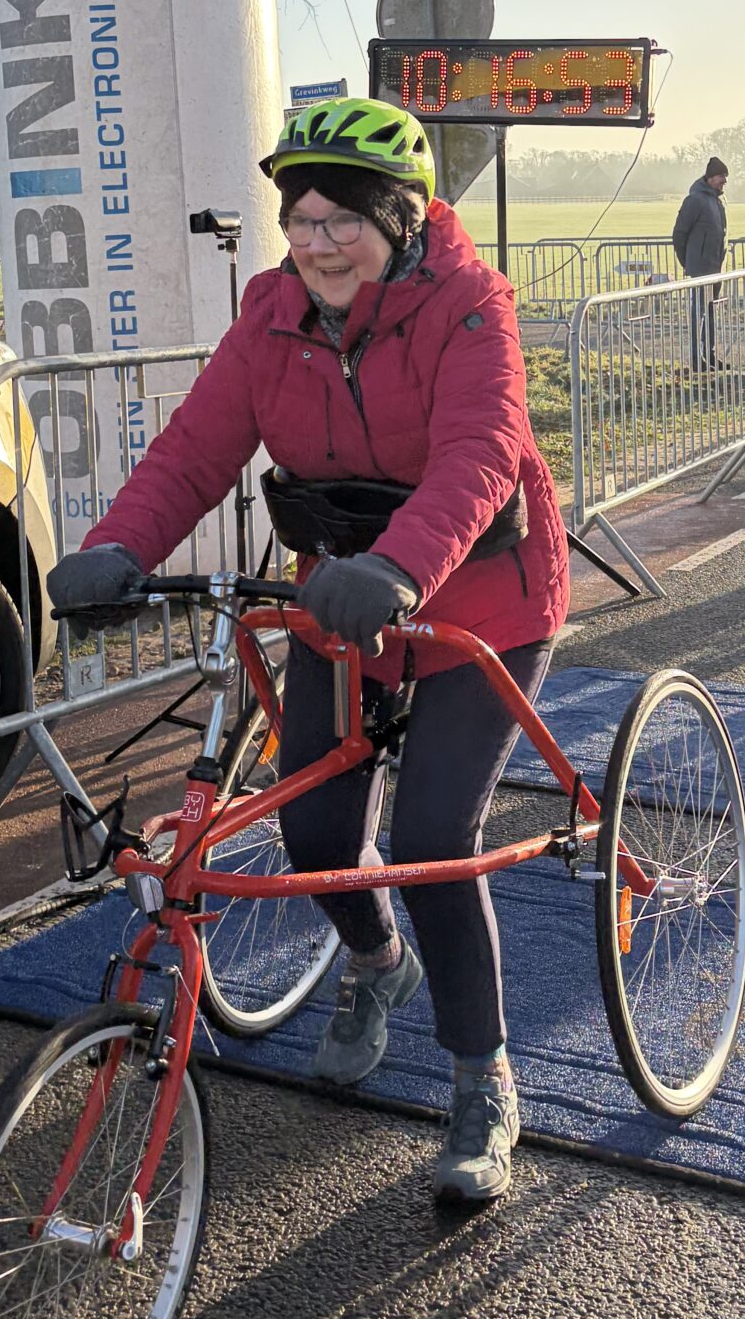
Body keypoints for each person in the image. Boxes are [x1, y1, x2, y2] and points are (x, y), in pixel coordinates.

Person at [45, 97, 568, 1207]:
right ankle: (378, 967)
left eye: (346, 220)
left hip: (478, 600)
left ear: (402, 220)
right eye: (302, 219)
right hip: (340, 599)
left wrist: (401, 567)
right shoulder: (272, 315)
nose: (320, 242)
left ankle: (483, 1077)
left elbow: (481, 454)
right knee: (316, 830)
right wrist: (117, 548)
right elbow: (194, 449)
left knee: (432, 837)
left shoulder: (470, 305)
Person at [672, 153, 729, 369]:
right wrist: (688, 261)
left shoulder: (717, 201)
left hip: (715, 266)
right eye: (721, 177)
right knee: (699, 313)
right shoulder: (695, 200)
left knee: (711, 312)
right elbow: (679, 233)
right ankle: (697, 358)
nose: (724, 181)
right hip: (701, 267)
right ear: (711, 177)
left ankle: (710, 354)